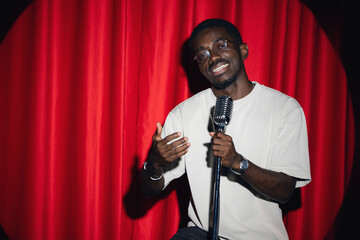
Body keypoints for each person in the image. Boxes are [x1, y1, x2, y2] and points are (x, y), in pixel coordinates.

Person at [141, 18, 311, 240]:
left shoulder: (284, 108)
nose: (212, 57)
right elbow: (148, 189)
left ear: (243, 50)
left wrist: (239, 163)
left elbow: (286, 191)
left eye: (220, 45)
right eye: (202, 55)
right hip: (200, 233)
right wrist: (154, 164)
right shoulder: (184, 113)